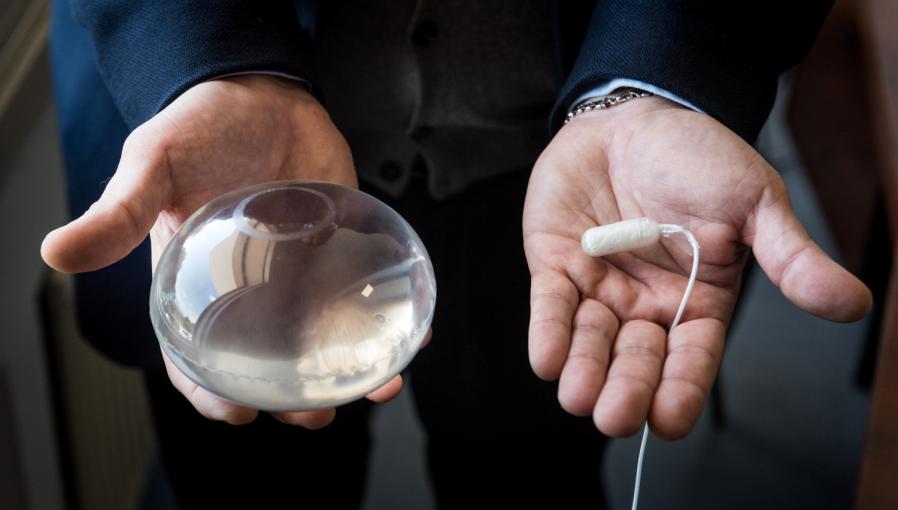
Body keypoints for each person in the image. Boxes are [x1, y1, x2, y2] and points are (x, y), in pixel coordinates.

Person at [43, 1, 871, 508]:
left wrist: (659, 72)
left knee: (527, 478)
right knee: (252, 487)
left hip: (557, 180)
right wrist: (204, 63)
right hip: (221, 196)